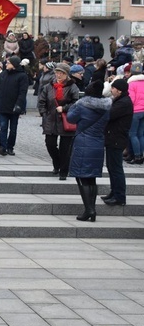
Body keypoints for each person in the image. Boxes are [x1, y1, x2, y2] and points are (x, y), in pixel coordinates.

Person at [67, 80, 111, 222]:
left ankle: (89, 210)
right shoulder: (107, 107)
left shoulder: (82, 104)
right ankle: (92, 209)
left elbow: (71, 118)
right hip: (98, 143)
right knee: (91, 177)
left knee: (81, 177)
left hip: (83, 142)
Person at [38, 63, 79, 180]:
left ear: (66, 74)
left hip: (66, 120)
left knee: (65, 148)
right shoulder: (48, 86)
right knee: (50, 144)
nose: (58, 75)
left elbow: (76, 103)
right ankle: (57, 163)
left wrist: (65, 108)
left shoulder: (72, 87)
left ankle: (63, 171)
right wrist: (44, 113)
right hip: (50, 119)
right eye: (57, 73)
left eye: (61, 73)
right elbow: (42, 101)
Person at [102, 79, 133, 206]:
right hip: (112, 138)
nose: (111, 90)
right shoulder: (120, 100)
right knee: (111, 167)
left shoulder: (123, 103)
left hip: (116, 139)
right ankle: (114, 192)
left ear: (119, 90)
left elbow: (109, 115)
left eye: (113, 88)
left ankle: (119, 196)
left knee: (116, 168)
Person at [0, 56, 28, 156]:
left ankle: (10, 147)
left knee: (13, 129)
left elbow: (22, 93)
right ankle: (2, 147)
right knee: (3, 127)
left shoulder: (22, 76)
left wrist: (19, 105)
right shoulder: (3, 74)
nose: (6, 64)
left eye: (8, 62)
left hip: (14, 107)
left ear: (14, 64)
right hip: (3, 106)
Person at [127, 62, 144, 164]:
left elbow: (131, 100)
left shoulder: (131, 84)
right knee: (141, 134)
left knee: (133, 134)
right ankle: (141, 155)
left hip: (135, 111)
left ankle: (136, 156)